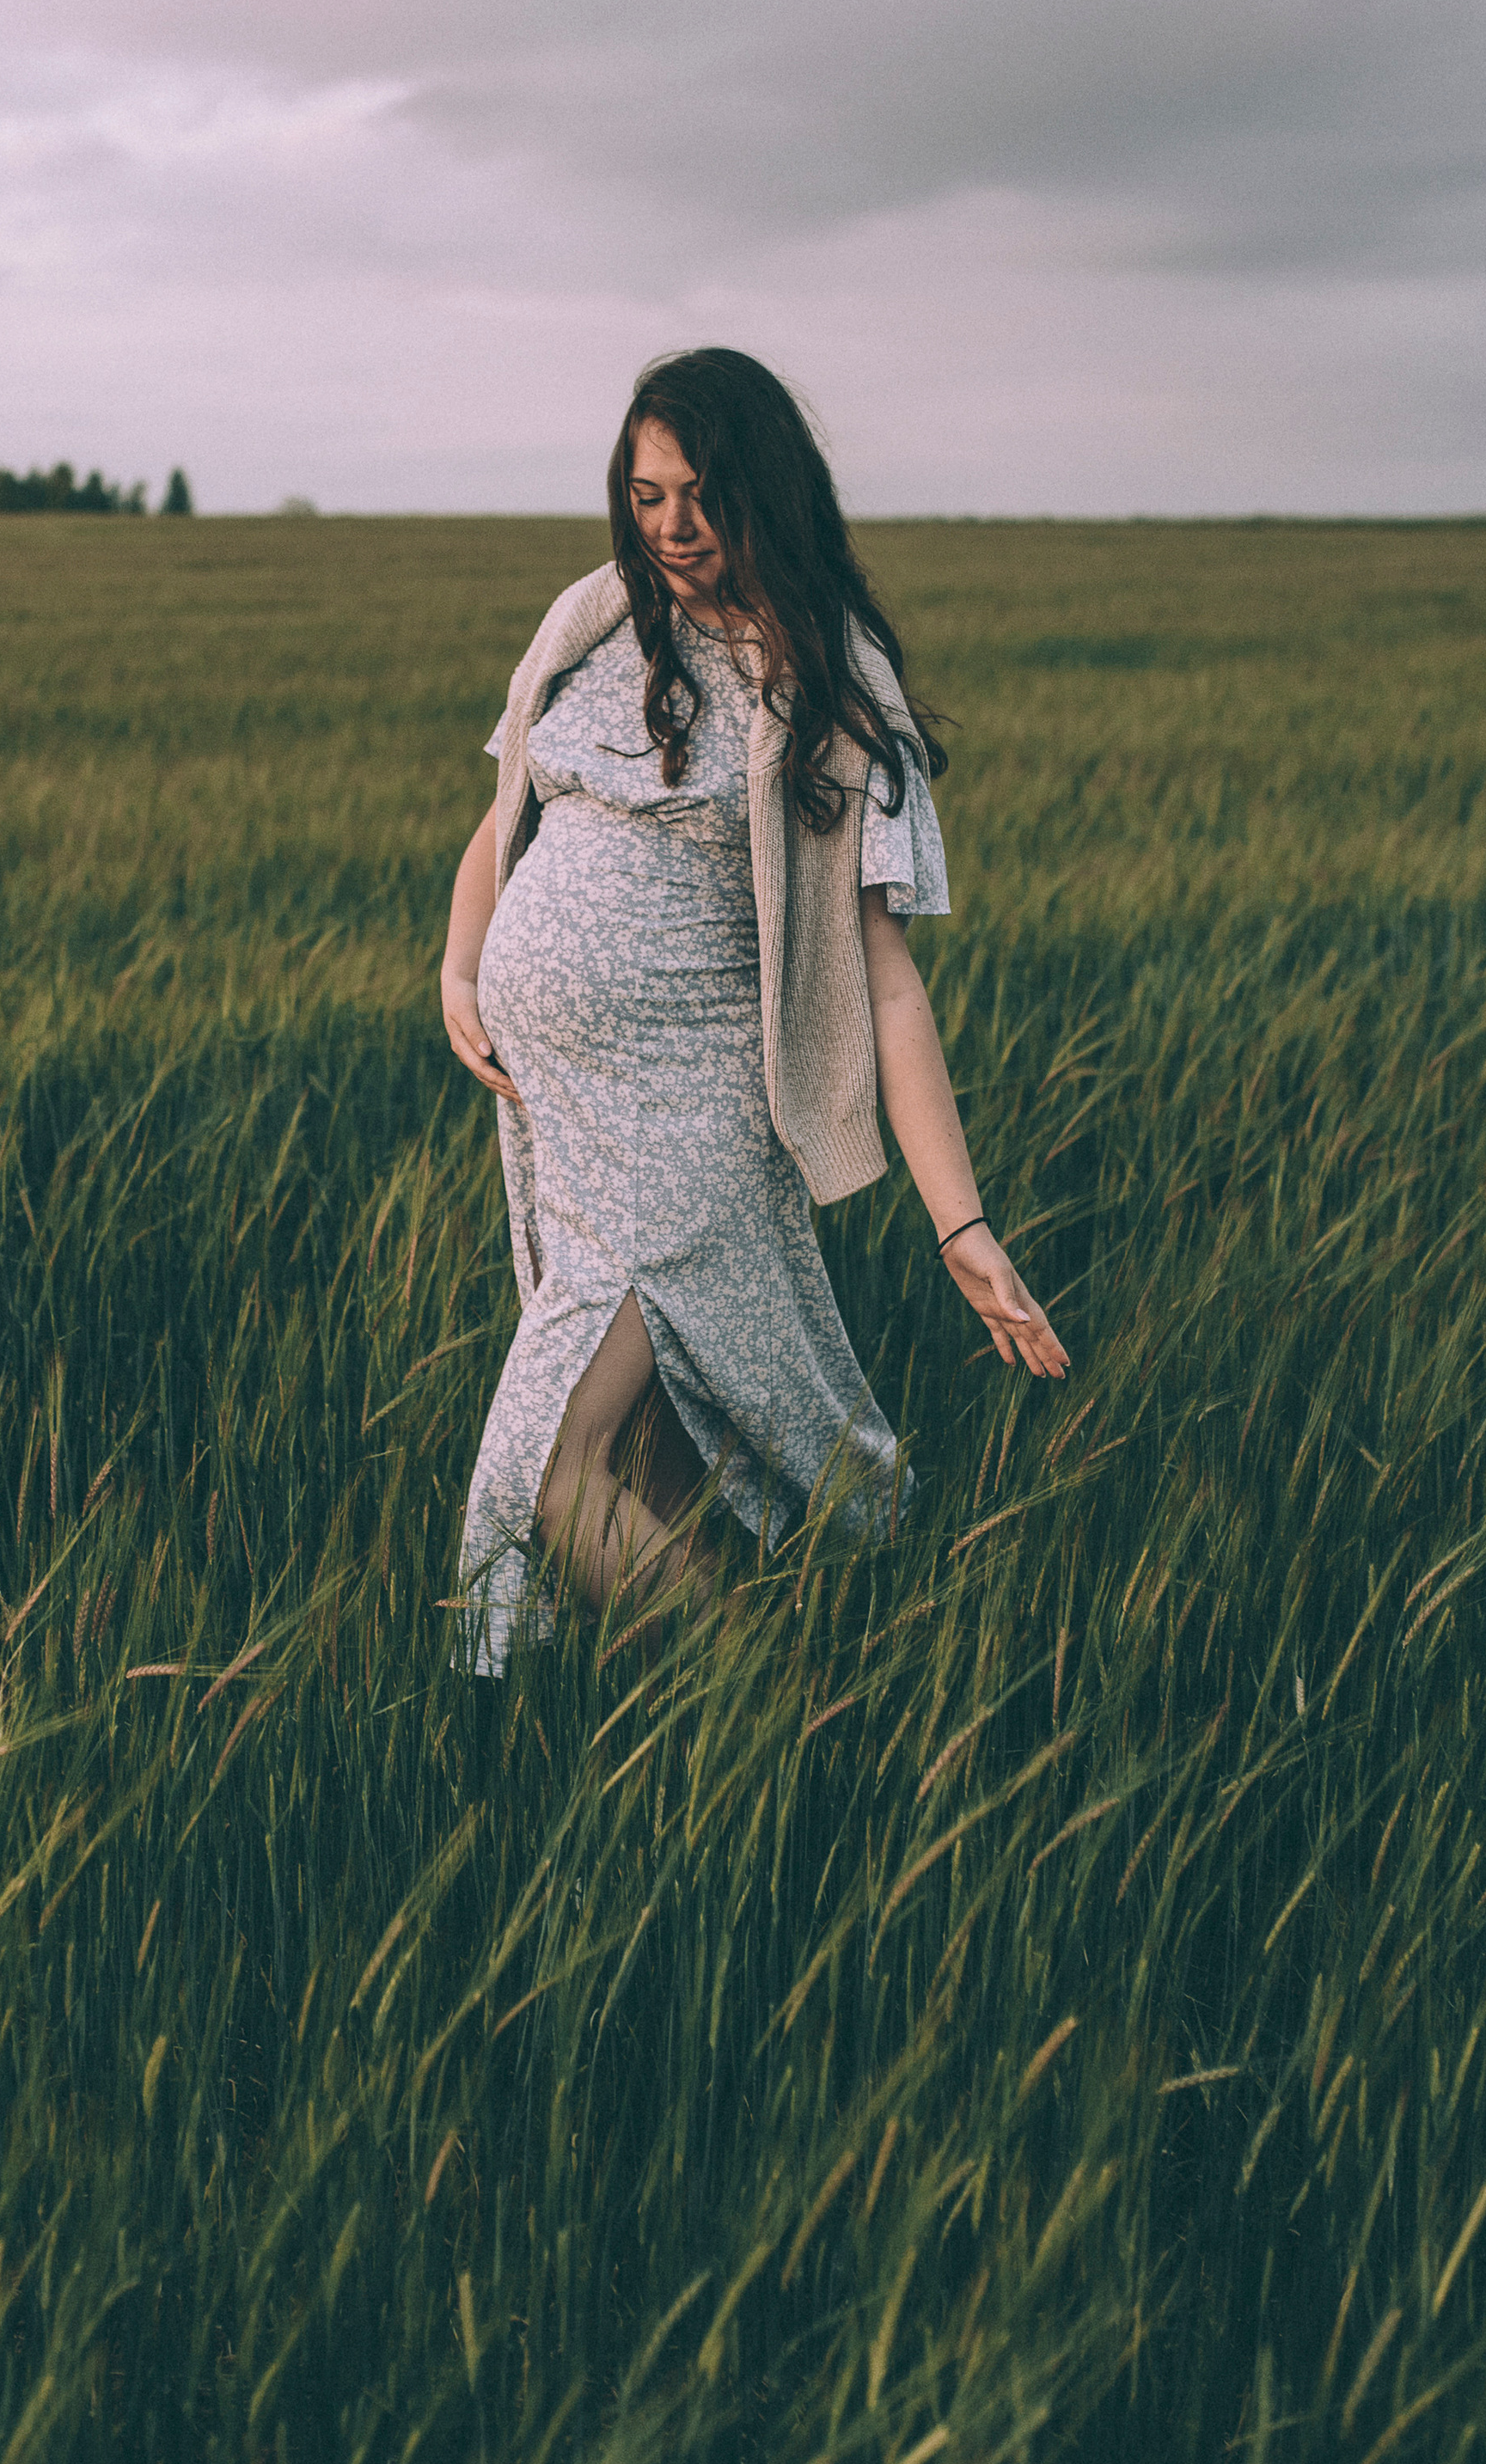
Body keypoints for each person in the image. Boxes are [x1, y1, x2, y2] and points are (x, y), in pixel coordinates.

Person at [442, 348, 1068, 1674]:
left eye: (702, 496)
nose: (670, 526)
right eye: (647, 491)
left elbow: (885, 980)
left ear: (764, 494)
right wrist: (463, 968)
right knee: (645, 1468)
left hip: (690, 1129)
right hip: (566, 1126)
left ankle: (778, 1721)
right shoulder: (598, 621)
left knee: (558, 1469)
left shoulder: (823, 679)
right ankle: (677, 1748)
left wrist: (960, 1221)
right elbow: (501, 825)